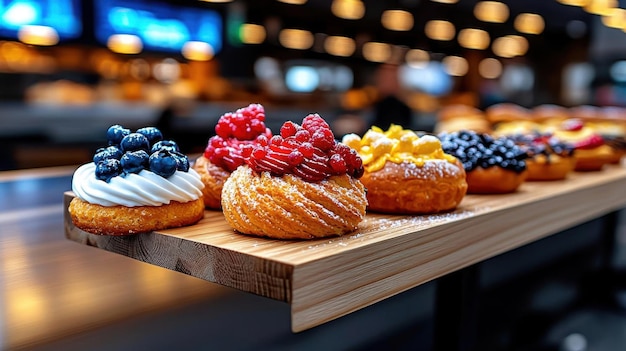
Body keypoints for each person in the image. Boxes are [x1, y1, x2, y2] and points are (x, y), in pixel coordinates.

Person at [370, 63, 413, 130]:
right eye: (384, 77)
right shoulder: (372, 105)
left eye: (391, 78)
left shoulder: (404, 108)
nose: (387, 81)